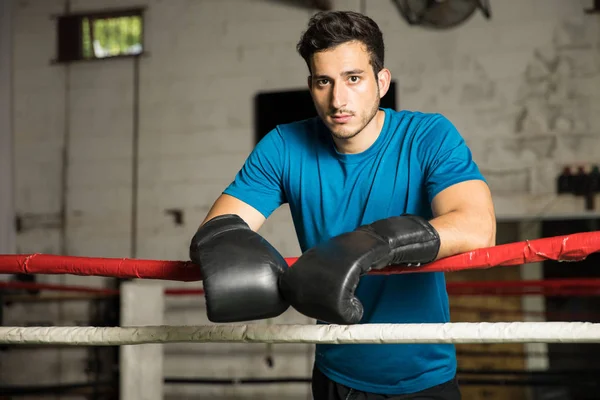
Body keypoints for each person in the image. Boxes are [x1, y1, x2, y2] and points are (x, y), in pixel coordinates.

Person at [189, 10, 496, 400]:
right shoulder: (284, 147)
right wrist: (271, 278)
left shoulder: (427, 136)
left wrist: (378, 242)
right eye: (324, 82)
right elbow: (218, 231)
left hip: (426, 377)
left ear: (381, 82)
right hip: (338, 379)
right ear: (311, 86)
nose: (338, 99)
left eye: (354, 78)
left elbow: (477, 226)